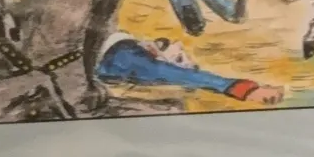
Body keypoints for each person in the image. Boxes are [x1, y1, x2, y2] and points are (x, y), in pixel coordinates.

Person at [99, 34, 281, 105]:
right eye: (179, 58)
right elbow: (185, 76)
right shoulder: (141, 63)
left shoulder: (141, 66)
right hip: (113, 54)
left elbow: (182, 75)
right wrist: (245, 90)